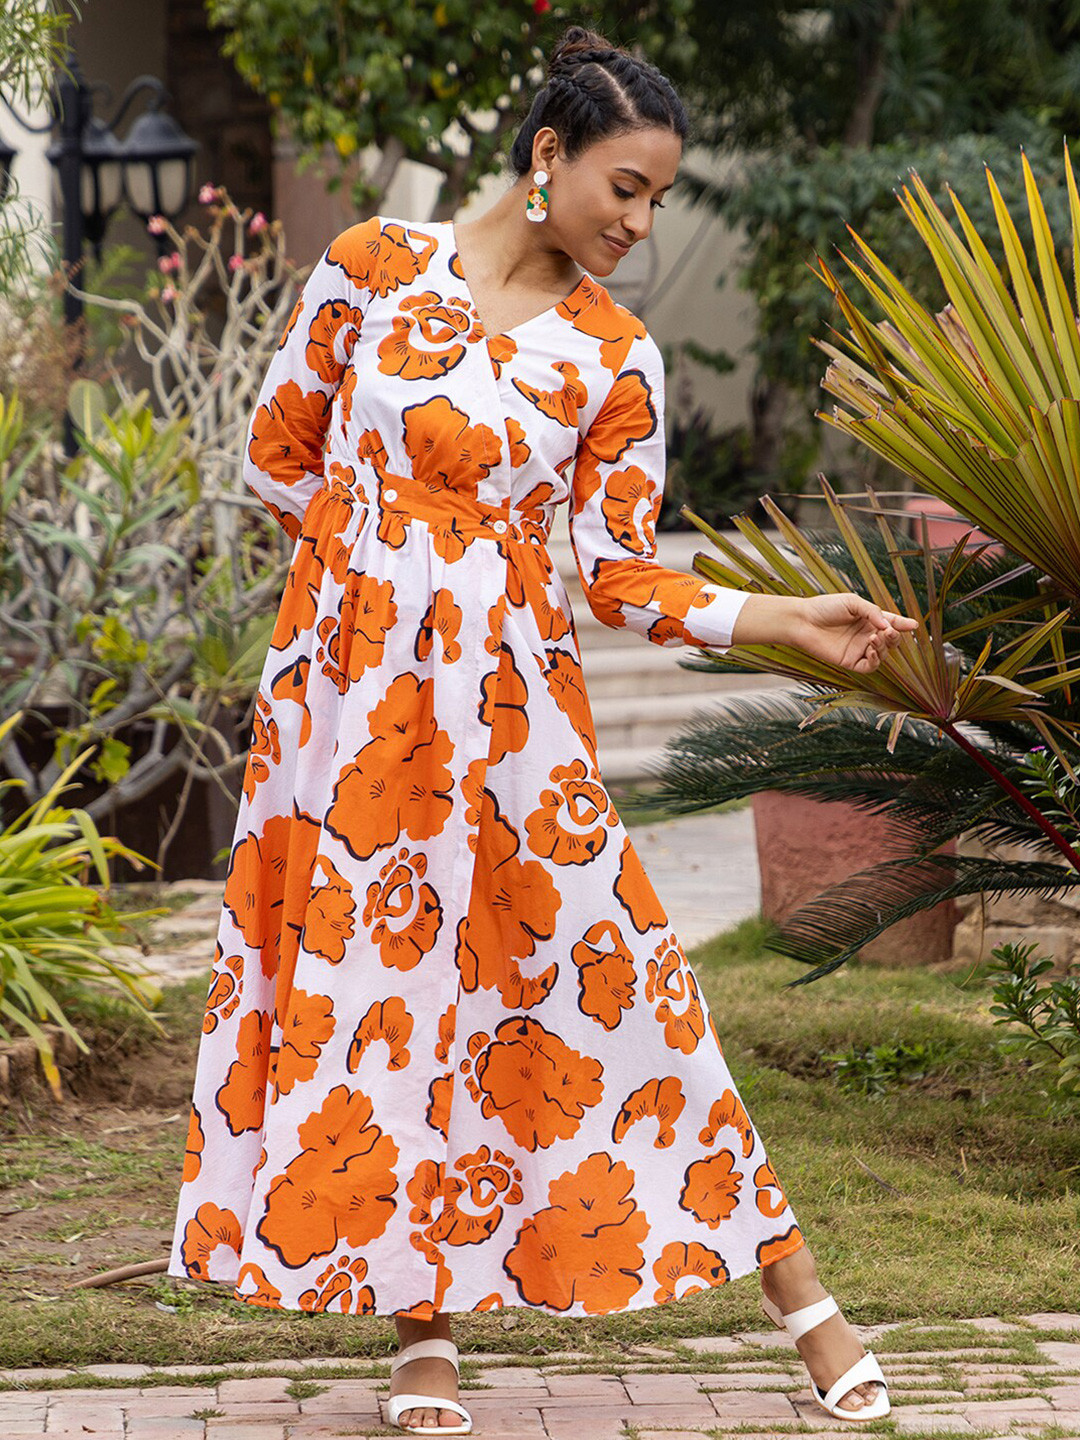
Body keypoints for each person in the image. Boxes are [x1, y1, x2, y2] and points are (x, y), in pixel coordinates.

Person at [166, 24, 918, 1437]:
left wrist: (785, 618)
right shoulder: (372, 269)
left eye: (659, 200)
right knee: (386, 999)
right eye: (625, 188)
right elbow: (279, 454)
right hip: (349, 715)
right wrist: (379, 587)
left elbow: (621, 576)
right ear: (547, 154)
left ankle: (808, 1304)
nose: (639, 224)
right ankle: (423, 1339)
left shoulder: (614, 356)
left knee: (627, 983)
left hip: (516, 728)